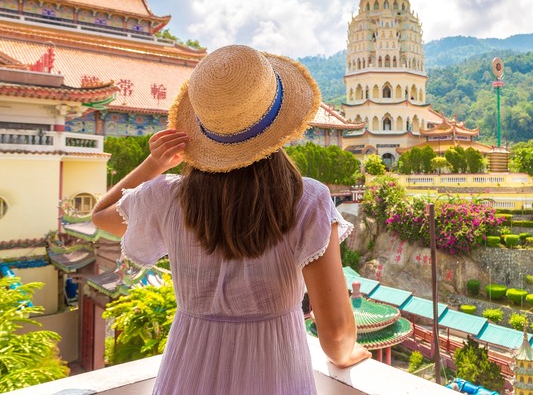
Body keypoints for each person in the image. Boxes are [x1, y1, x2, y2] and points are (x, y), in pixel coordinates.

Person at [92, 45, 370, 394]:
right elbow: (335, 333)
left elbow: (102, 215)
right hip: (275, 371)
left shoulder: (167, 198)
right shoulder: (307, 200)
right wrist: (348, 354)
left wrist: (155, 164)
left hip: (187, 369)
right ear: (280, 125)